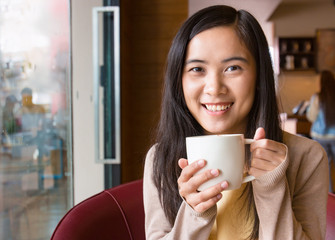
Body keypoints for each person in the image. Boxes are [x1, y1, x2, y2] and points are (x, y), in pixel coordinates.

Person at [143, 5, 328, 240]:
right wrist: (194, 214)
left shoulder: (307, 157)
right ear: (179, 82)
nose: (214, 88)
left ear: (259, 77)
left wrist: (272, 188)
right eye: (197, 69)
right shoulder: (161, 158)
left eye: (233, 68)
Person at [307, 70, 335, 193]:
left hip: (320, 136)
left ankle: (329, 195)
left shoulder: (317, 98)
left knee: (326, 167)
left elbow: (311, 117)